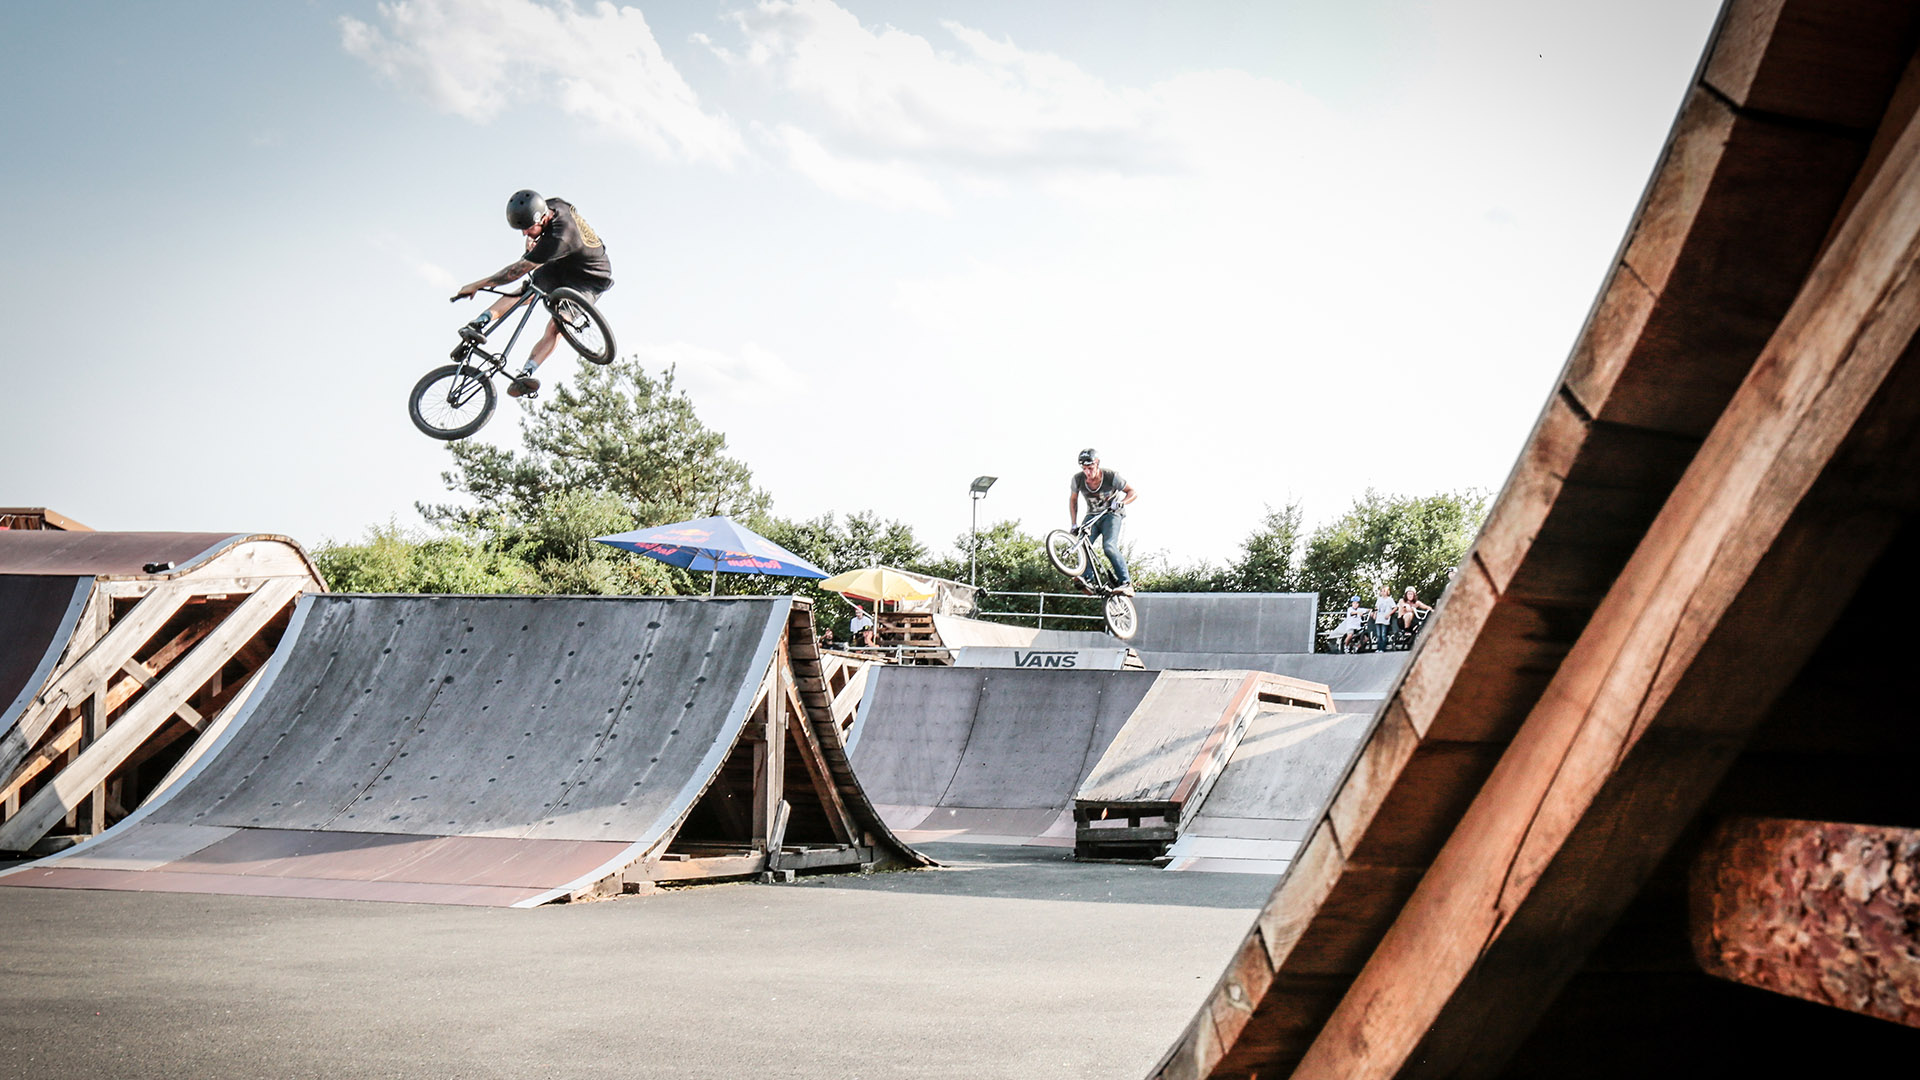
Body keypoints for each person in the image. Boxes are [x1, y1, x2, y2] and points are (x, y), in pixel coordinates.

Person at [451, 189, 614, 399]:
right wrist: (533, 243)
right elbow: (536, 243)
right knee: (525, 293)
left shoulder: (561, 237)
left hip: (589, 277)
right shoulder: (552, 205)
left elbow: (513, 273)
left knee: (558, 324)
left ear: (542, 218)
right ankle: (478, 323)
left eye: (527, 229)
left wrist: (476, 285)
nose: (524, 233)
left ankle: (527, 372)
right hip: (563, 261)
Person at [1067, 448, 1136, 595]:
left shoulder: (1111, 476)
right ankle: (1088, 580)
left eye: (1090, 468)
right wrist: (1074, 524)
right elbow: (1073, 500)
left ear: (1097, 463)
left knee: (1109, 546)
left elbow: (1132, 492)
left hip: (1111, 514)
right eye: (1084, 469)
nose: (1087, 472)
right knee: (1082, 545)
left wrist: (1121, 503)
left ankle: (1126, 582)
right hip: (1092, 516)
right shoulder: (1078, 479)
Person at [1372, 583, 1395, 652]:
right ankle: (1378, 648)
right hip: (1378, 618)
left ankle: (1383, 648)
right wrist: (1375, 614)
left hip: (1385, 619)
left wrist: (1389, 614)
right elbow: (1376, 607)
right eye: (1382, 591)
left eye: (1384, 591)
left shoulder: (1390, 600)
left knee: (1383, 634)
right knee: (1378, 635)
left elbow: (1395, 608)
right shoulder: (1379, 599)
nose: (1383, 592)